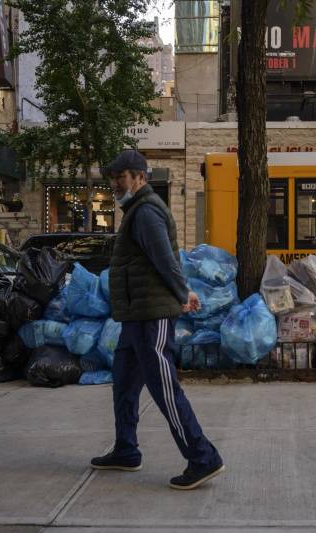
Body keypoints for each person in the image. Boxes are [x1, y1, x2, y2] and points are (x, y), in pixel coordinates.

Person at [90, 149, 224, 490]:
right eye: (113, 178)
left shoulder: (146, 211)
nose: (116, 183)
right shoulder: (135, 211)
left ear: (140, 177)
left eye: (121, 177)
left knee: (164, 388)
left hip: (151, 316)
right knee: (124, 383)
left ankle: (202, 457)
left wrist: (183, 293)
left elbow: (165, 259)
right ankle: (126, 449)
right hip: (135, 316)